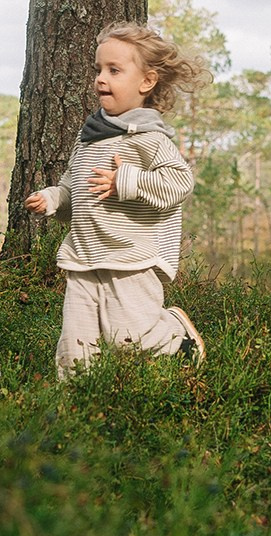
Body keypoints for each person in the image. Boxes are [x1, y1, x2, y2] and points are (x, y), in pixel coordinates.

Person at [24, 21, 208, 378]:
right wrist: (51, 200)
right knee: (74, 346)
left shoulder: (150, 139)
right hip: (84, 256)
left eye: (114, 70)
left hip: (130, 259)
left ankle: (175, 337)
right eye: (98, 69)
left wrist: (127, 179)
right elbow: (73, 187)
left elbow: (179, 182)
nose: (100, 79)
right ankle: (75, 407)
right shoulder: (89, 138)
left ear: (146, 82)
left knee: (131, 337)